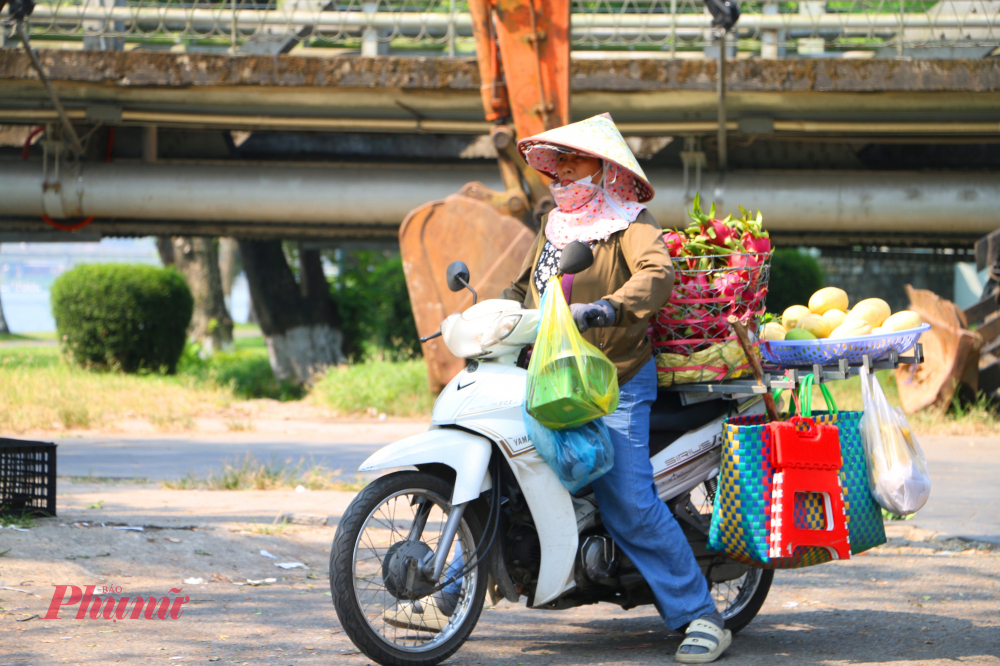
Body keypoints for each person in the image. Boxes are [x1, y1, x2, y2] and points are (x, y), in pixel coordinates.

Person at [501, 113, 731, 664]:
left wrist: (609, 307)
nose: (560, 173)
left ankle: (701, 616)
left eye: (573, 161)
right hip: (551, 375)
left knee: (627, 500)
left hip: (616, 381)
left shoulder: (632, 222)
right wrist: (494, 312)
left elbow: (657, 273)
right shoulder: (555, 225)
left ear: (605, 169)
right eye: (556, 163)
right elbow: (522, 285)